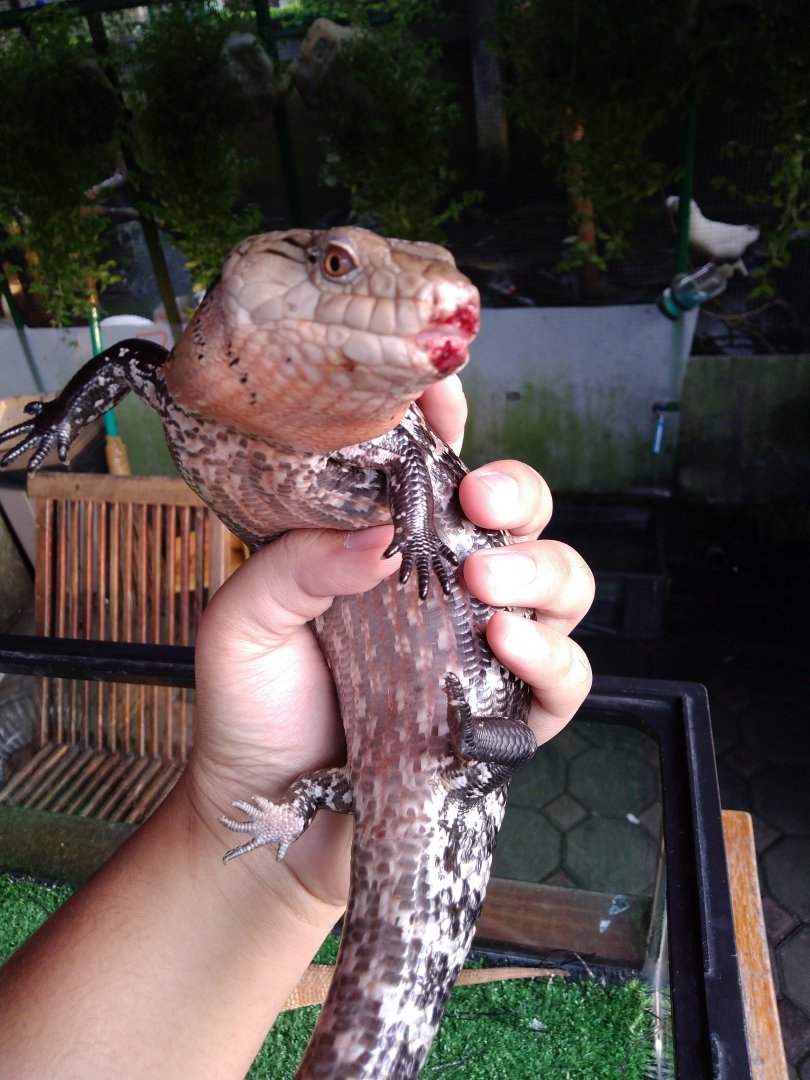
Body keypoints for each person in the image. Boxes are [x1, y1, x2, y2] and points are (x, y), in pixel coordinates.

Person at [0, 377, 594, 1080]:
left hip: (411, 760)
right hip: (430, 748)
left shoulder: (327, 427)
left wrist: (277, 849)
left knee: (492, 742)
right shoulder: (245, 398)